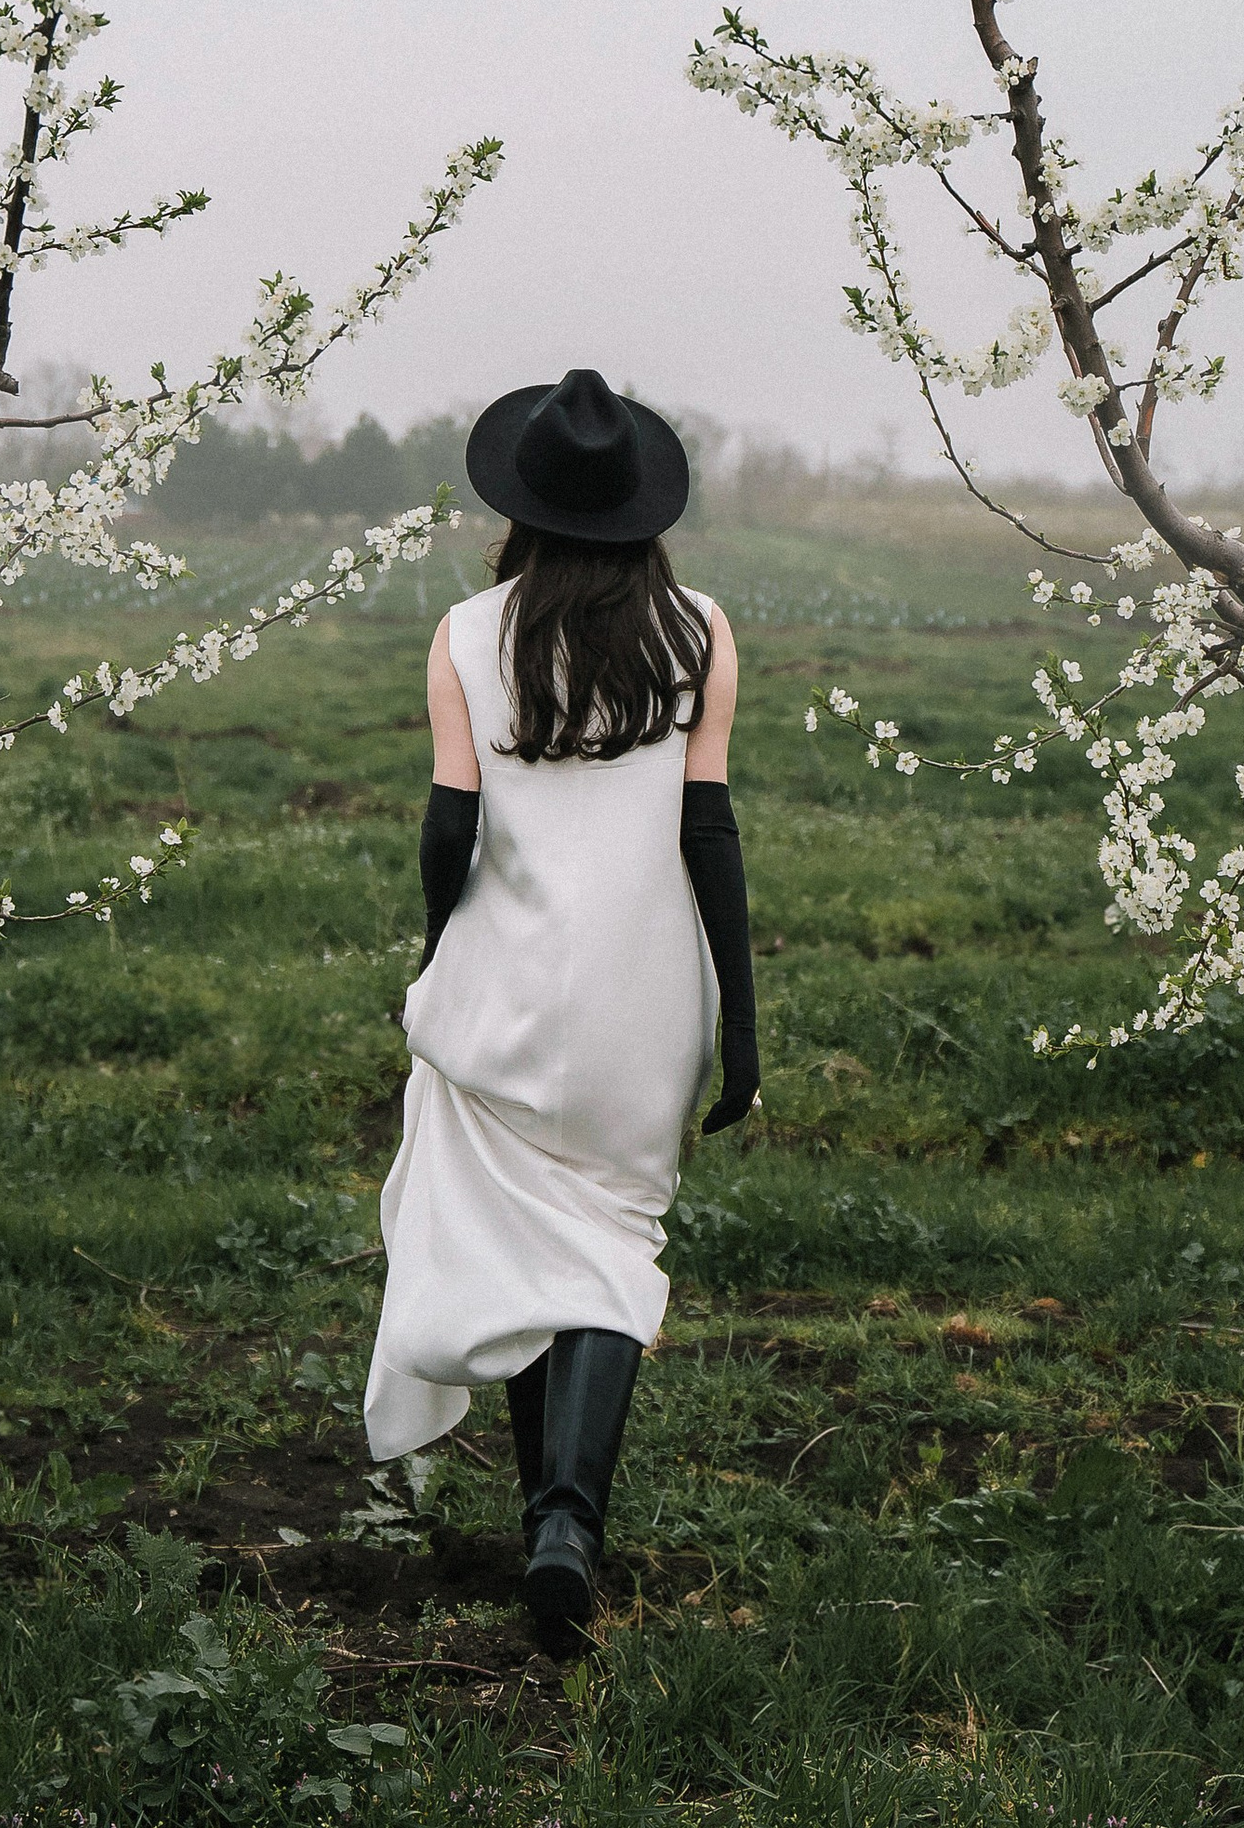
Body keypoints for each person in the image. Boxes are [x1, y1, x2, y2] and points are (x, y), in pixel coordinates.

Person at [362, 367, 761, 1653]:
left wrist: (441, 960)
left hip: (512, 981)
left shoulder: (466, 636)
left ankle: (554, 1519)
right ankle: (564, 1526)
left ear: (519, 505)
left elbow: (448, 830)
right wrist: (741, 1018)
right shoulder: (699, 631)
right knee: (609, 1241)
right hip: (649, 997)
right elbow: (710, 832)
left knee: (537, 1238)